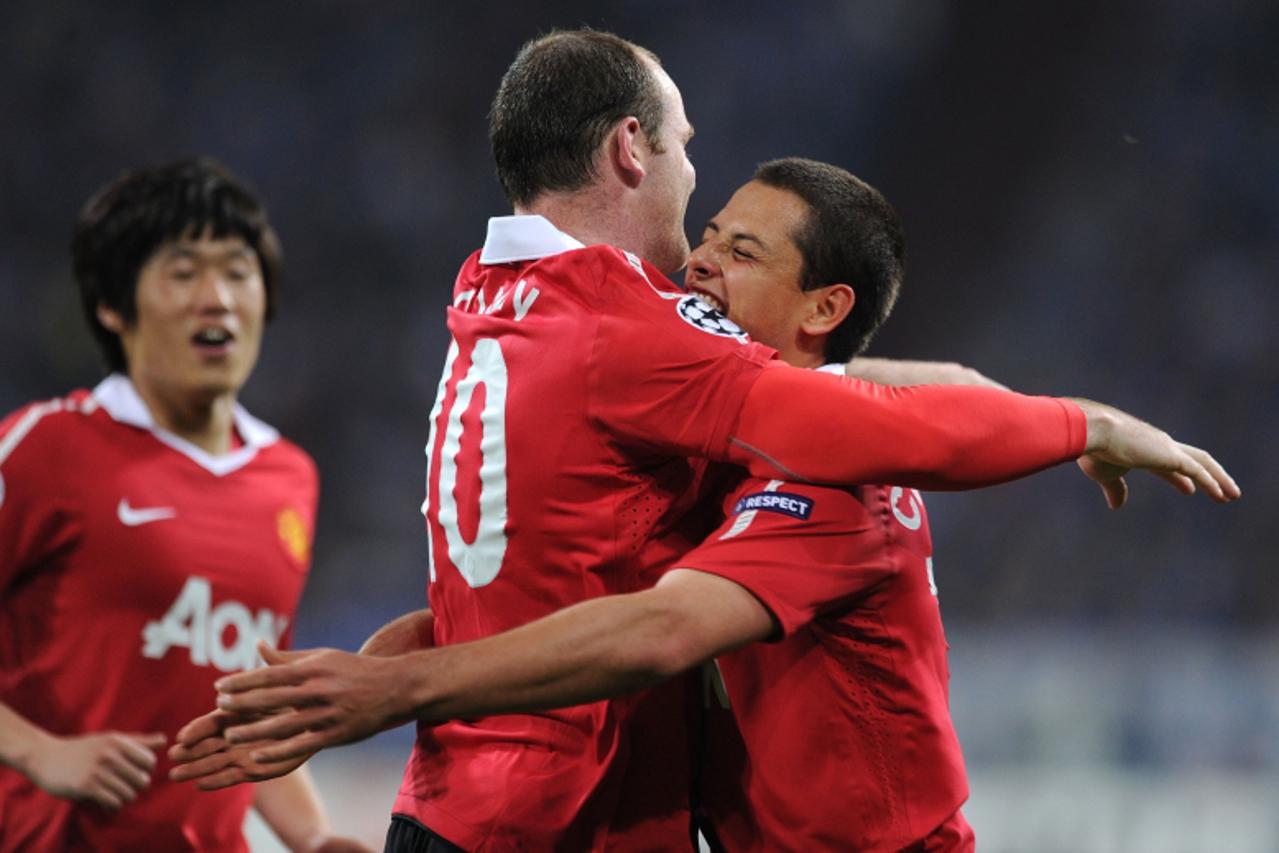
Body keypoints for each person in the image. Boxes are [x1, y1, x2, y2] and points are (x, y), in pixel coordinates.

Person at [170, 30, 1236, 852]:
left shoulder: (494, 299)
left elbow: (624, 592)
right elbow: (652, 595)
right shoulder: (631, 333)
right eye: (685, 150)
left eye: (743, 247)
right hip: (562, 815)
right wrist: (1081, 421)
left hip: (483, 802)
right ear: (628, 147)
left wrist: (377, 683)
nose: (700, 247)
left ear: (820, 305)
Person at [0, 160, 369, 852]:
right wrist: (36, 749)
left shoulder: (289, 477)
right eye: (183, 272)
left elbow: (242, 703)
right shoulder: (43, 448)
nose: (217, 299)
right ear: (114, 305)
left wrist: (313, 837)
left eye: (237, 272)